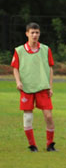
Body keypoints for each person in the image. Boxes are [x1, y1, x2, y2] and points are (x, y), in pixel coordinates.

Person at [11, 22, 56, 152]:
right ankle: (32, 145)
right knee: (28, 117)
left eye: (37, 33)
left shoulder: (46, 50)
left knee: (48, 116)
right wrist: (18, 81)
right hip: (27, 88)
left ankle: (50, 144)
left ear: (39, 34)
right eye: (32, 33)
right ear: (27, 34)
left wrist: (50, 86)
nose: (35, 35)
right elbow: (15, 68)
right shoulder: (19, 51)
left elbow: (50, 68)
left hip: (42, 87)